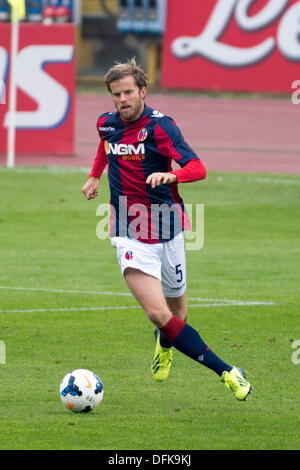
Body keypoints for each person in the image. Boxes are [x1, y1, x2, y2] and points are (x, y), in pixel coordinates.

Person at [81, 58, 252, 401]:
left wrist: (173, 174)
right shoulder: (106, 124)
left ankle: (165, 341)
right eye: (116, 94)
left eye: (128, 92)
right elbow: (105, 148)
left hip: (168, 226)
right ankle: (229, 372)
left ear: (143, 91)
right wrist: (94, 176)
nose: (122, 100)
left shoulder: (162, 128)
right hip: (128, 228)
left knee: (177, 315)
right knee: (158, 313)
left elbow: (198, 167)